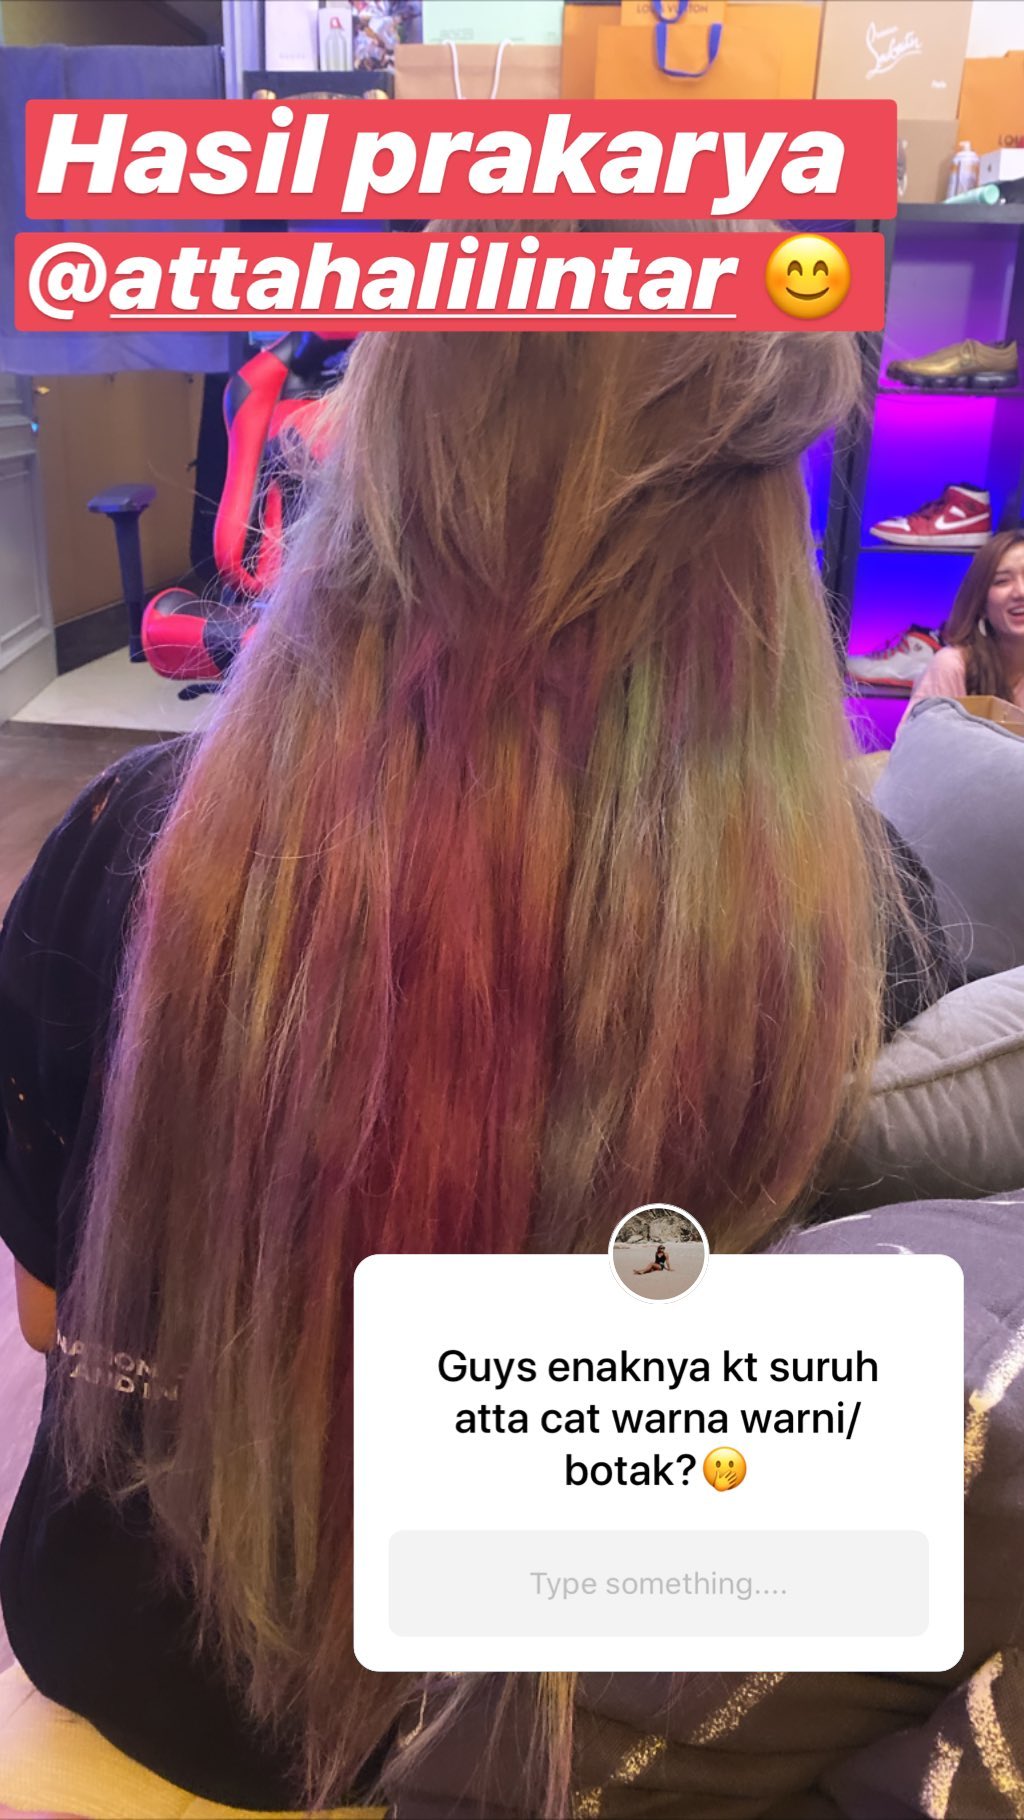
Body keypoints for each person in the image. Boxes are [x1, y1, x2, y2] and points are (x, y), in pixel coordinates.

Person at [0, 233, 958, 1819]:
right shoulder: (858, 924)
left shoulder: (126, 844)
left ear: (374, 465)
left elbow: (50, 1318)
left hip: (131, 1648)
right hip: (548, 1732)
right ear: (757, 540)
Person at [908, 527, 1024, 711]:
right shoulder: (952, 666)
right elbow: (924, 731)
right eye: (1002, 581)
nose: (1020, 592)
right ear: (981, 604)